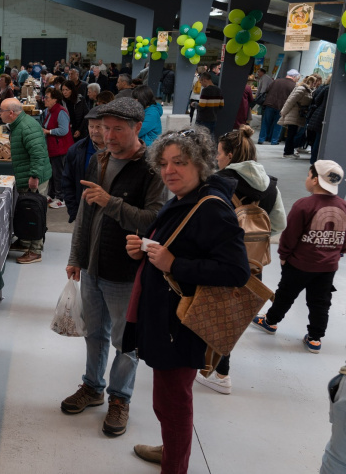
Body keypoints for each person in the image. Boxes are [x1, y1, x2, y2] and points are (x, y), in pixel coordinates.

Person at [126, 127, 250, 473]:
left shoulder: (211, 208)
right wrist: (144, 250)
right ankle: (171, 449)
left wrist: (174, 264)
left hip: (182, 326)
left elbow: (237, 271)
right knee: (167, 400)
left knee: (173, 404)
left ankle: (174, 464)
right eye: (164, 163)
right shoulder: (185, 199)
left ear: (201, 163)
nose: (169, 170)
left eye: (179, 162)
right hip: (167, 319)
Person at [63, 98, 165, 437]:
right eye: (104, 128)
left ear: (138, 128)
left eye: (117, 129)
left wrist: (111, 202)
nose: (107, 135)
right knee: (94, 332)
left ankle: (120, 398)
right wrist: (76, 256)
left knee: (126, 341)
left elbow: (153, 219)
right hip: (93, 266)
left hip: (126, 272)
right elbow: (85, 213)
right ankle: (92, 386)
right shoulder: (99, 160)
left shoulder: (152, 168)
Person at [188, 125, 286, 395]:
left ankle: (218, 372)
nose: (216, 158)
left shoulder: (216, 182)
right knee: (232, 316)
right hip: (253, 264)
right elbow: (279, 223)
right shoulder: (271, 185)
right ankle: (217, 369)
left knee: (207, 312)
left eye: (219, 153)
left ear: (230, 155)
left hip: (218, 261)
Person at [252, 160, 346, 354]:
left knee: (285, 295)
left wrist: (284, 255)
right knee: (320, 302)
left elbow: (290, 234)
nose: (307, 179)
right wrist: (338, 251)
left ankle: (270, 321)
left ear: (315, 180)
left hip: (299, 265)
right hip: (328, 267)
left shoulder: (304, 205)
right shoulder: (343, 206)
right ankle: (315, 339)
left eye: (309, 175)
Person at [1, 98, 52, 264]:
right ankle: (25, 242)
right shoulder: (19, 125)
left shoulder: (26, 127)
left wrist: (34, 175)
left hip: (34, 177)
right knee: (26, 210)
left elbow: (38, 154)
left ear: (11, 113)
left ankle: (35, 250)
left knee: (34, 212)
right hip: (27, 174)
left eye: (1, 111)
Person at [62, 106, 104, 223]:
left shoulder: (118, 152)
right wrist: (74, 213)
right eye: (91, 126)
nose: (94, 131)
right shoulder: (76, 150)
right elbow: (67, 182)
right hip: (83, 213)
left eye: (99, 126)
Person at [41, 88, 73, 210]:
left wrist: (48, 131)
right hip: (53, 147)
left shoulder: (60, 112)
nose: (45, 99)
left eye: (47, 97)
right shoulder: (50, 111)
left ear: (55, 99)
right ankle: (52, 194)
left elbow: (64, 130)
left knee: (59, 174)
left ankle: (61, 198)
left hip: (61, 148)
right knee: (52, 173)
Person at [278, 74, 321, 159]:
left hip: (297, 115)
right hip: (294, 114)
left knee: (293, 133)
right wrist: (283, 112)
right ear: (311, 82)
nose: (315, 85)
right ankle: (287, 152)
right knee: (291, 133)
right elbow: (290, 101)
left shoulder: (308, 90)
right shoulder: (302, 89)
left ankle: (289, 151)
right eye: (314, 83)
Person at [258, 69, 299, 145]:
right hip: (282, 107)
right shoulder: (294, 85)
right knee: (278, 124)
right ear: (294, 77)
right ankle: (274, 141)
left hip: (270, 104)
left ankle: (261, 139)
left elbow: (267, 90)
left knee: (265, 122)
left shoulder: (276, 81)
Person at [305, 75, 331, 164]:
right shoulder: (329, 89)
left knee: (317, 139)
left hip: (318, 115)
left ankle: (313, 160)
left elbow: (317, 100)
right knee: (319, 139)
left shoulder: (325, 88)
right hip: (323, 116)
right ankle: (315, 160)